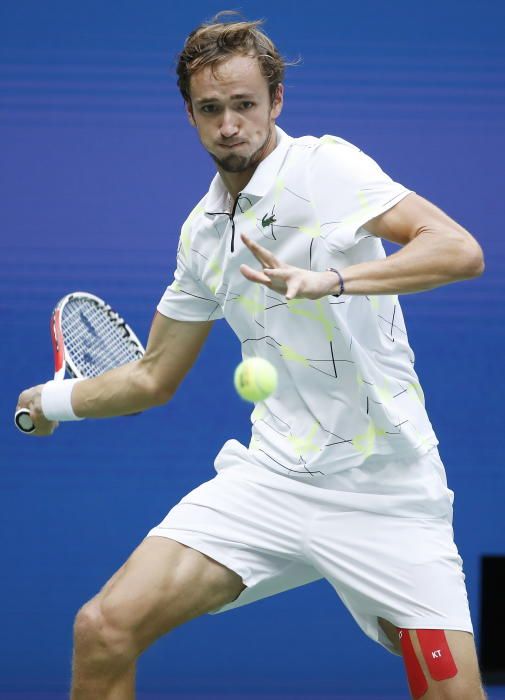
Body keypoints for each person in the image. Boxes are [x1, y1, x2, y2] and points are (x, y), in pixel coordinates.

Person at [16, 15, 486, 700]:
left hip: (385, 491)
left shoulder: (324, 168)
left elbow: (458, 250)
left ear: (275, 103)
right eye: (211, 109)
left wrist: (330, 279)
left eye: (244, 105)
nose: (229, 124)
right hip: (272, 482)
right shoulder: (203, 234)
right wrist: (50, 401)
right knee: (104, 628)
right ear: (191, 115)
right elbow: (152, 376)